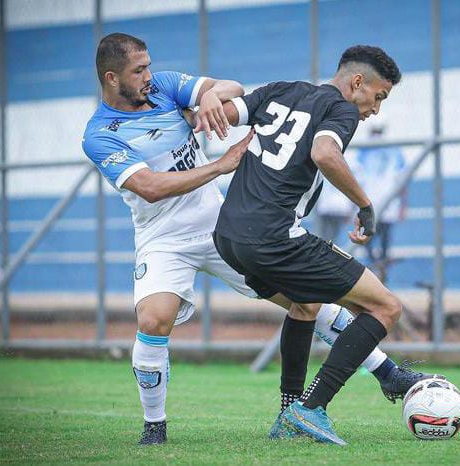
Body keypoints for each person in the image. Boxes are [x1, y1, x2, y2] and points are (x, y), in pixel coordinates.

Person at [82, 33, 429, 446]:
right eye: (138, 71)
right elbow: (151, 186)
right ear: (111, 77)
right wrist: (221, 165)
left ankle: (384, 375)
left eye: (148, 66)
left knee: (306, 301)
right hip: (163, 238)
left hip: (218, 223)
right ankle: (154, 426)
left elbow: (229, 92)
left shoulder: (162, 87)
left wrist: (211, 96)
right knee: (153, 320)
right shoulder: (100, 134)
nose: (148, 76)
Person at [214, 45, 436, 446]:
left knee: (306, 305)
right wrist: (366, 205)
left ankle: (288, 411)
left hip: (227, 237)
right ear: (357, 83)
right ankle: (312, 408)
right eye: (379, 97)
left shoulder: (279, 90)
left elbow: (220, 115)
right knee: (386, 306)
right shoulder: (342, 109)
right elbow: (323, 151)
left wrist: (200, 94)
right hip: (274, 237)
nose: (376, 110)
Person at [355, 124, 407, 269]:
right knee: (383, 242)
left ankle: (376, 264)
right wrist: (403, 205)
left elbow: (357, 177)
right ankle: (380, 266)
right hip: (388, 201)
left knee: (367, 239)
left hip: (369, 201)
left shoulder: (364, 149)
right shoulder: (394, 150)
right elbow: (402, 179)